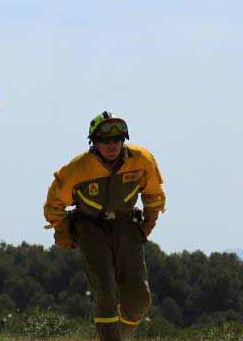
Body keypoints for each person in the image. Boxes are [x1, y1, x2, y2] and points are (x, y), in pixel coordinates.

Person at [43, 111, 166, 340]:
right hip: (89, 228)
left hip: (126, 225)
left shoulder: (142, 160)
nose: (112, 145)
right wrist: (61, 230)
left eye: (117, 139)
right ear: (94, 142)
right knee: (106, 293)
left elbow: (154, 195)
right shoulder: (77, 168)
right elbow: (53, 204)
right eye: (105, 140)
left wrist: (149, 223)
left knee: (139, 300)